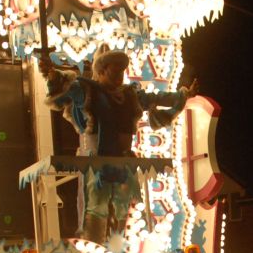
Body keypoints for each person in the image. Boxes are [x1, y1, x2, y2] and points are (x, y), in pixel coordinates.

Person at [40, 45, 198, 242]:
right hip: (97, 164)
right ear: (101, 71)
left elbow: (156, 98)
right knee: (96, 210)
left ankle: (122, 249)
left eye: (121, 71)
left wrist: (184, 95)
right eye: (114, 71)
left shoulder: (129, 94)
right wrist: (53, 75)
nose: (119, 76)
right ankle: (94, 249)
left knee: (125, 211)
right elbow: (62, 94)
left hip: (123, 163)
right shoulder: (87, 90)